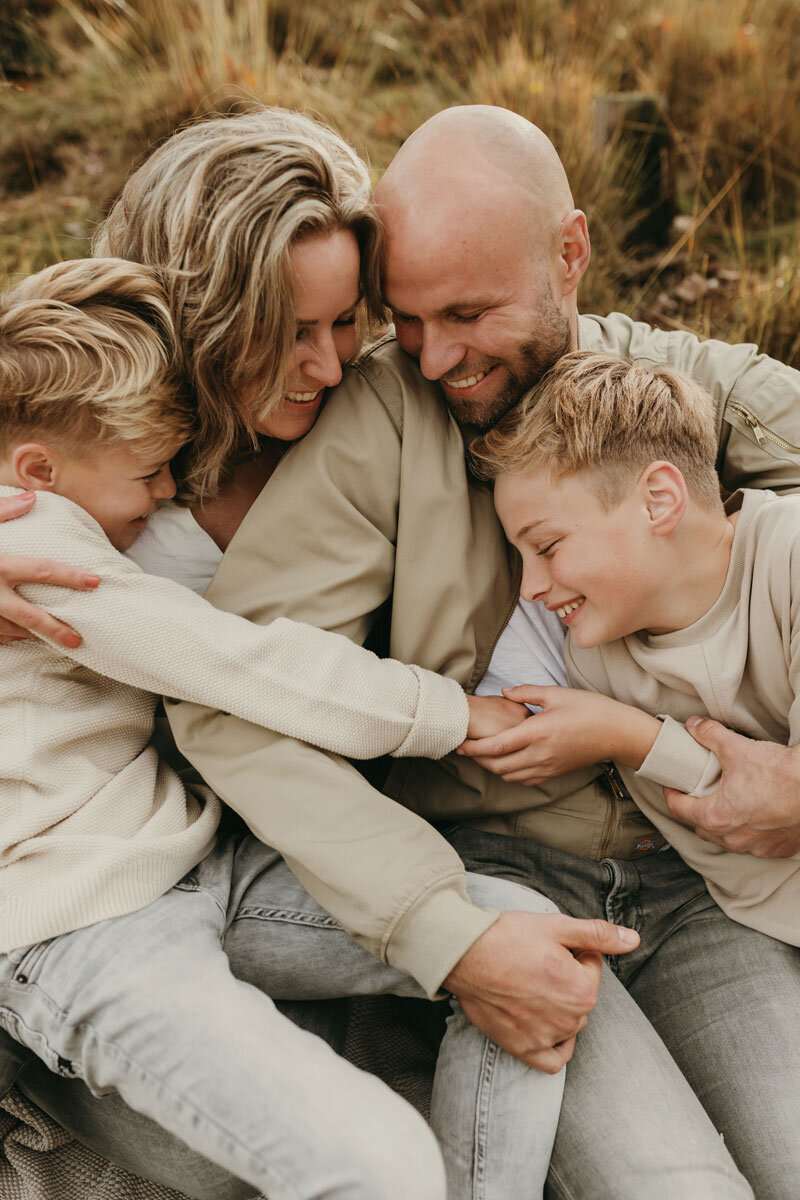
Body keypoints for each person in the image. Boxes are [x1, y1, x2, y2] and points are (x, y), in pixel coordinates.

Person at [2, 103, 797, 1196]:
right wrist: (438, 882)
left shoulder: (569, 391)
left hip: (647, 881)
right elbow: (236, 679)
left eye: (353, 324)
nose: (380, 359)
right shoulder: (105, 457)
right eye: (294, 329)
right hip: (152, 894)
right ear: (202, 311)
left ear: (569, 255)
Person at [470, 349, 800, 945]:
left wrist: (629, 737)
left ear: (659, 500)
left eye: (546, 546)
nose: (530, 587)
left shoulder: (790, 556)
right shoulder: (596, 655)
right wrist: (624, 735)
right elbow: (728, 814)